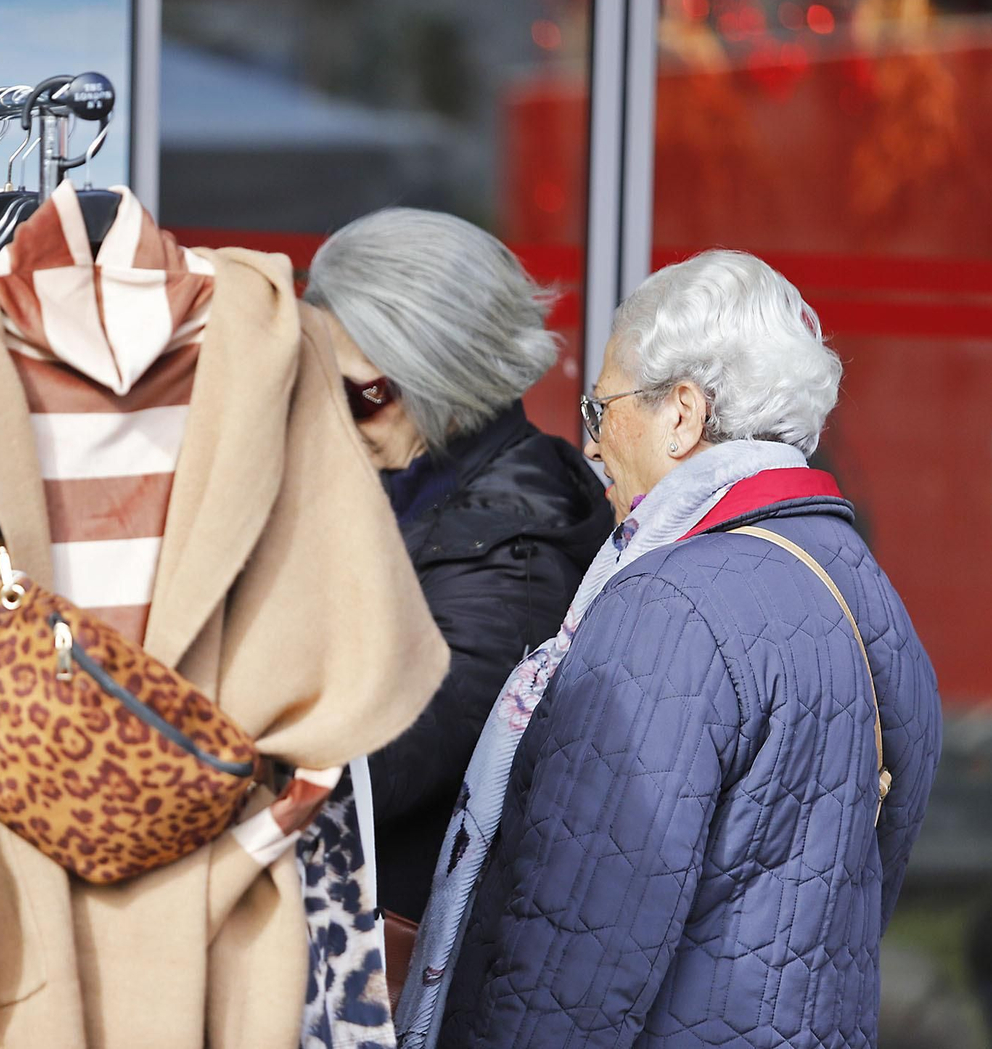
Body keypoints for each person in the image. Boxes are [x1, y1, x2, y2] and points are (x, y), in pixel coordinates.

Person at [410, 249, 941, 1048]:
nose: (591, 447)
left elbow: (570, 959)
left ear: (683, 413)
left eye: (599, 411)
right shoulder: (870, 593)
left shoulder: (665, 606)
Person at [301, 208, 612, 925]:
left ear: (437, 374)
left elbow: (365, 772)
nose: (334, 414)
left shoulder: (514, 552)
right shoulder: (391, 483)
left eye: (358, 393)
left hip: (398, 957)